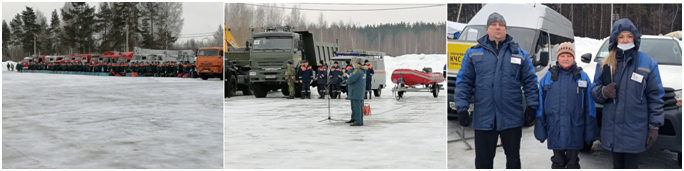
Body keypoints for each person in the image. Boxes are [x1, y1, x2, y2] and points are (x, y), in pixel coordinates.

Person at [453, 12, 539, 169]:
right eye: (494, 25)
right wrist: (462, 108)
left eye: (501, 25)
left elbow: (530, 82)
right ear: (487, 29)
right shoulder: (473, 53)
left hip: (511, 117)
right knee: (483, 163)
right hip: (484, 117)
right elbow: (464, 82)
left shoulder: (520, 54)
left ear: (506, 29)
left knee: (513, 161)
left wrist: (532, 106)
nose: (497, 28)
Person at [591, 18, 664, 169]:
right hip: (612, 130)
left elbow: (655, 97)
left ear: (635, 38)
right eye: (621, 37)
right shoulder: (605, 64)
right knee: (617, 165)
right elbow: (594, 91)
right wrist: (603, 92)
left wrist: (654, 126)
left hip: (635, 130)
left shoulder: (648, 63)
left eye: (629, 36)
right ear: (615, 39)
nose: (625, 40)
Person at [534, 42, 597, 169]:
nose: (566, 58)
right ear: (558, 57)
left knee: (573, 162)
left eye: (569, 55)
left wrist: (590, 131)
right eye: (563, 55)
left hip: (575, 128)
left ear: (573, 57)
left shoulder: (582, 77)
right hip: (555, 128)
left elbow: (589, 107)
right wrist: (540, 128)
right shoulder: (548, 77)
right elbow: (541, 105)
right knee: (557, 162)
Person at [343, 57, 367, 126]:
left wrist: (346, 80)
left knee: (357, 107)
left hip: (356, 91)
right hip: (357, 91)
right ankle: (354, 118)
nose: (352, 64)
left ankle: (358, 121)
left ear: (357, 63)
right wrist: (345, 76)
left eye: (353, 62)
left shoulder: (357, 71)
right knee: (355, 106)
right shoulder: (361, 71)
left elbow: (351, 80)